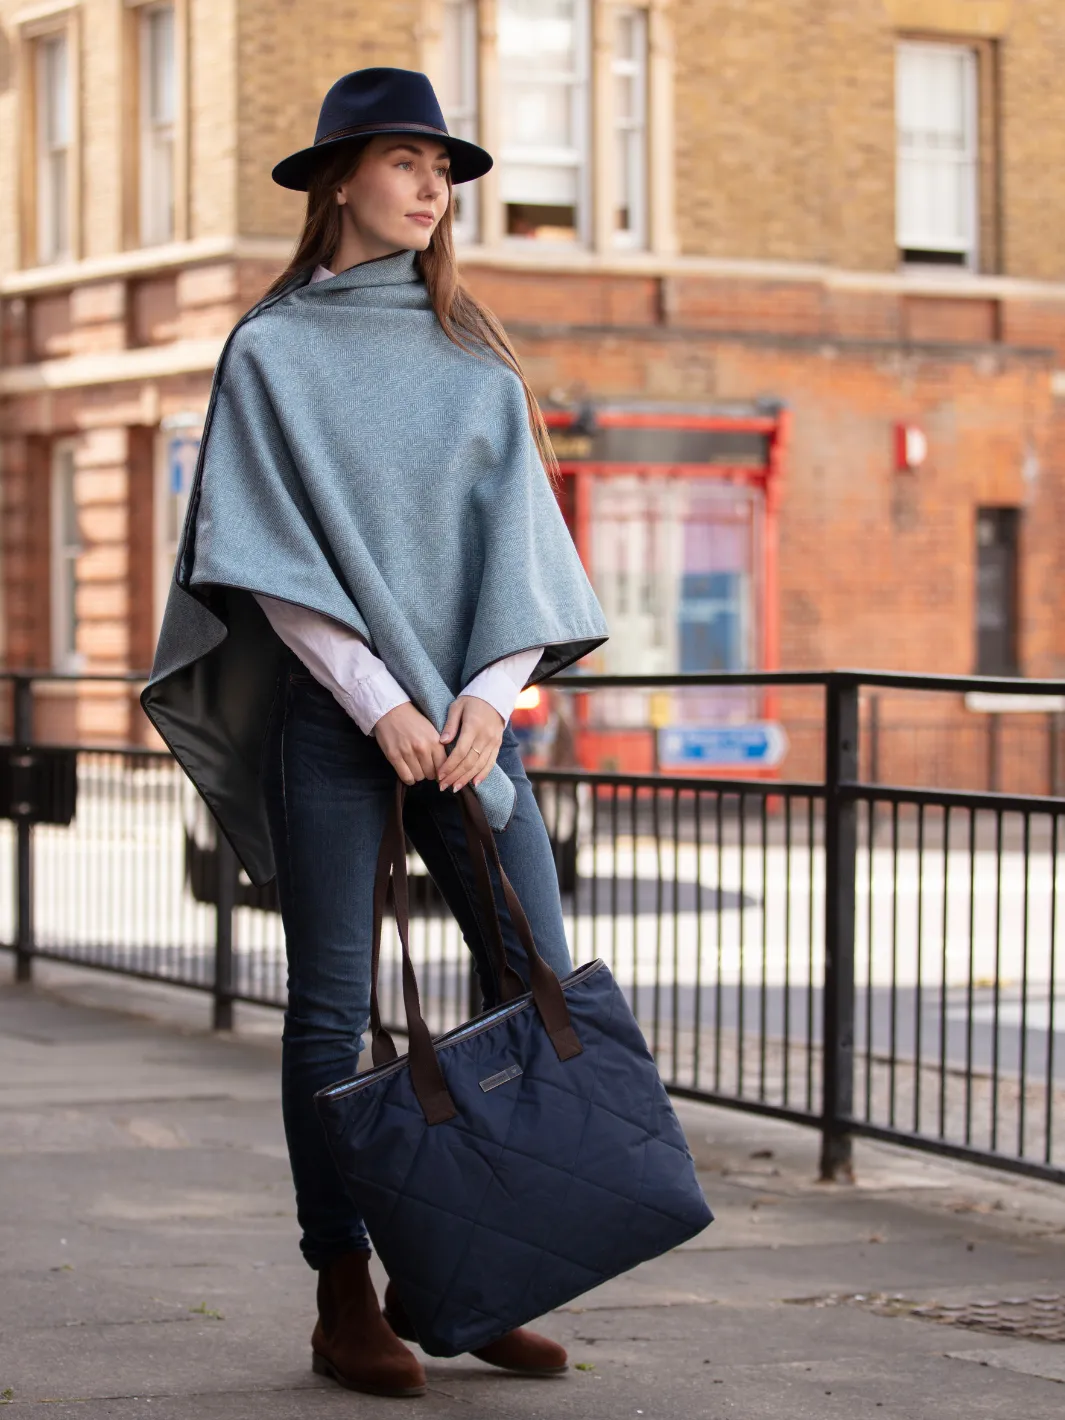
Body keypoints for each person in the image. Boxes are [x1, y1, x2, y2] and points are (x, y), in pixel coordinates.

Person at [142, 68, 608, 1399]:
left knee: (538, 981)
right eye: (406, 160)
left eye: (443, 168)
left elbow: (522, 552)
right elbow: (270, 563)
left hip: (468, 724)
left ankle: (470, 1273)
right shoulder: (270, 352)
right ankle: (345, 1291)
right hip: (337, 724)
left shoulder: (474, 356)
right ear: (338, 177)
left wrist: (483, 697)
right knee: (333, 1018)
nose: (432, 186)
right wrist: (384, 705)